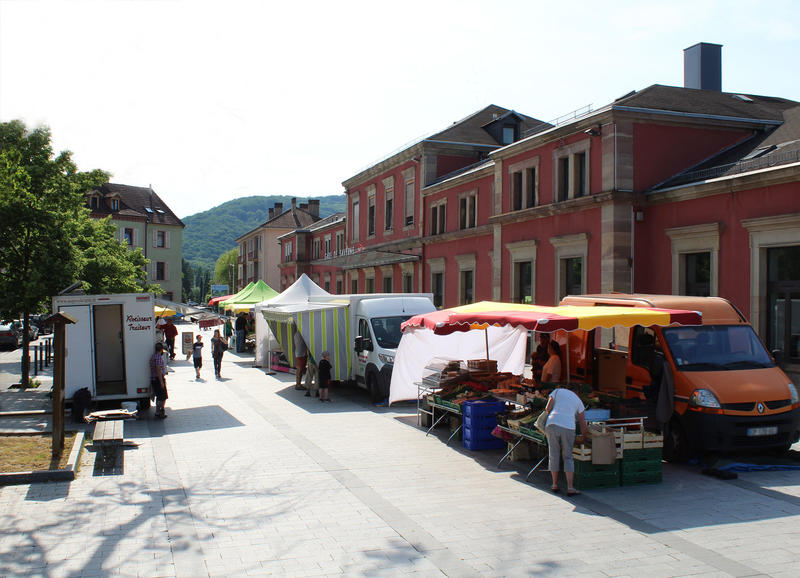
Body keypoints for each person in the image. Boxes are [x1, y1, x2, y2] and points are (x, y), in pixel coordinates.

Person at [542, 383, 589, 495]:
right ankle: (570, 487)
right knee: (568, 457)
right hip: (568, 427)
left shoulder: (558, 391)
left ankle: (554, 484)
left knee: (553, 454)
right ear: (577, 392)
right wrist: (584, 437)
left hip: (552, 424)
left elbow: (548, 408)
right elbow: (583, 422)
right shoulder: (578, 401)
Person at [150, 342, 168, 419]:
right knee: (163, 397)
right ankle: (160, 411)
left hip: (154, 379)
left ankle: (158, 412)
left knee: (159, 396)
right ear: (161, 350)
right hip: (158, 379)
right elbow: (158, 370)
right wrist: (161, 382)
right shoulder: (158, 357)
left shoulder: (153, 357)